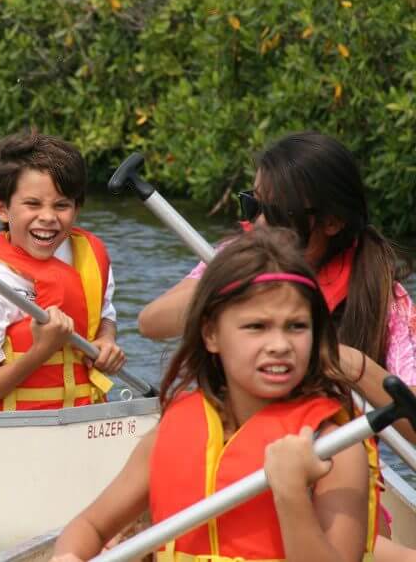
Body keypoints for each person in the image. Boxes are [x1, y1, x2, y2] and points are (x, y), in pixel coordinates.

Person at [52, 226, 380, 562]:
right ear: (211, 334)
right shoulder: (171, 430)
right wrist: (70, 555)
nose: (280, 346)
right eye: (256, 327)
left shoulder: (335, 448)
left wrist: (292, 493)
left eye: (296, 326)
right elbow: (90, 526)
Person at [138, 132, 416, 439]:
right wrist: (235, 279)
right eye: (253, 205)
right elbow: (151, 323)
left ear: (332, 222)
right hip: (234, 441)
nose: (258, 225)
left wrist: (350, 363)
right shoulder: (236, 256)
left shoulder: (383, 297)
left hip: (324, 452)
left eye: (276, 213)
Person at [0, 133, 125, 412]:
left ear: (76, 209)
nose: (48, 217)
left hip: (85, 419)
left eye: (61, 205)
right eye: (32, 204)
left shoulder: (88, 260)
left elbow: (104, 315)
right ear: (2, 208)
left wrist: (106, 339)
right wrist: (41, 350)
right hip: (17, 431)